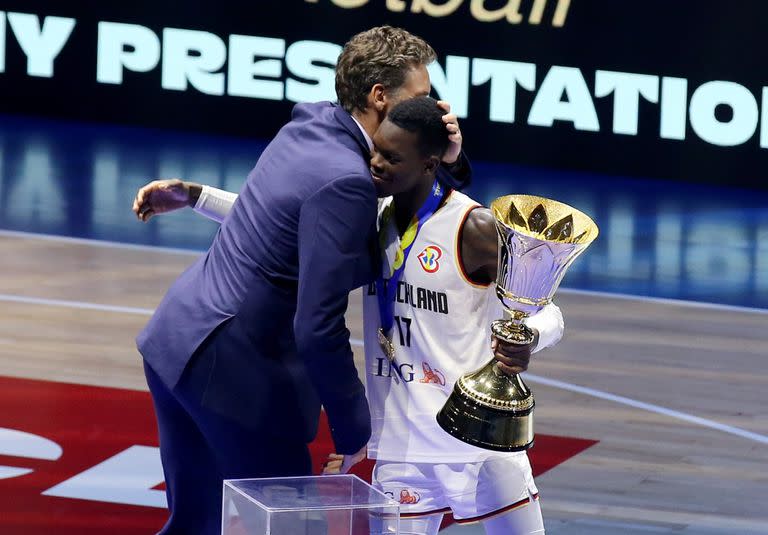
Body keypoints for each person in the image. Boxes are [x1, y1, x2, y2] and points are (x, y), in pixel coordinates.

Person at [138, 97, 562, 534]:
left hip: (479, 442)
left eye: (392, 158)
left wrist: (528, 335)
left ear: (430, 164)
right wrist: (196, 196)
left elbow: (547, 311)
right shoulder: (367, 214)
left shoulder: (472, 228)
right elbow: (272, 216)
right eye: (375, 150)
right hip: (401, 448)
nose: (375, 163)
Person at [135, 26, 474, 535]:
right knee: (293, 529)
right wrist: (354, 426)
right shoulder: (348, 180)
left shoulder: (311, 124)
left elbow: (275, 224)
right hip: (235, 377)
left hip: (176, 342)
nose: (436, 110)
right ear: (380, 98)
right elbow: (316, 325)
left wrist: (448, 159)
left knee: (195, 525)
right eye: (422, 97)